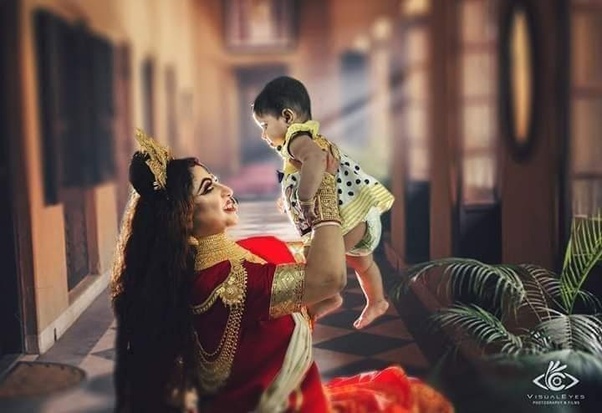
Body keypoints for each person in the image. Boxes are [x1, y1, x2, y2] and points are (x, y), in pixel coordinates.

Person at [111, 129, 453, 412]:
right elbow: (328, 279)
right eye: (208, 188)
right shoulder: (225, 281)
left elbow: (272, 323)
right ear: (184, 217)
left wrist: (307, 308)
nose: (227, 190)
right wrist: (324, 186)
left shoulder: (229, 261)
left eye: (215, 180)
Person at [252, 75, 395, 329]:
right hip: (359, 216)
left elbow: (316, 161)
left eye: (264, 125)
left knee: (319, 260)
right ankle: (377, 300)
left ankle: (328, 297)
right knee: (363, 263)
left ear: (287, 117)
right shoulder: (305, 138)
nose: (263, 135)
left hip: (348, 215)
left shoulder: (297, 140)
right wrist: (287, 198)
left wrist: (305, 198)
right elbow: (303, 174)